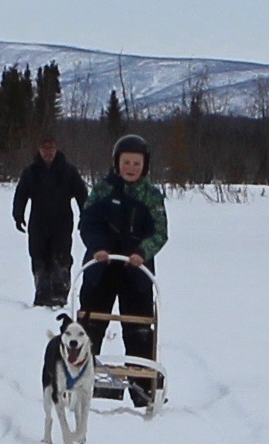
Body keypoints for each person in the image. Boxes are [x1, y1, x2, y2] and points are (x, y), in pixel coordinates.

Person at [77, 133, 168, 406]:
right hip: (100, 269)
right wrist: (98, 247)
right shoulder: (104, 189)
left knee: (139, 330)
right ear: (117, 163)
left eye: (136, 163)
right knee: (89, 326)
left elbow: (160, 232)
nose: (131, 168)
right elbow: (87, 222)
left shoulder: (151, 195)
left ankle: (143, 389)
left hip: (136, 273)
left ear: (145, 165)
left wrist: (142, 252)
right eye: (126, 162)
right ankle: (80, 383)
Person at [11, 134, 88, 306]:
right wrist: (18, 214)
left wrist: (85, 215)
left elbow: (82, 195)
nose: (48, 152)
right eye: (45, 148)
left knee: (60, 258)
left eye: (51, 148)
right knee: (39, 257)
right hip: (38, 222)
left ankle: (60, 293)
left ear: (56, 148)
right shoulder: (31, 172)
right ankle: (42, 292)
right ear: (39, 149)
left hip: (62, 221)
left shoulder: (68, 171)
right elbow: (21, 194)